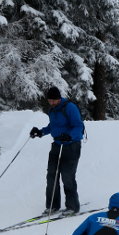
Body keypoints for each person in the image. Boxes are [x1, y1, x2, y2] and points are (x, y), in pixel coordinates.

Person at [29, 86, 84, 215]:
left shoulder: (69, 108)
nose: (52, 103)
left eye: (54, 100)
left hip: (71, 145)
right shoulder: (52, 110)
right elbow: (53, 126)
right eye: (50, 100)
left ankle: (72, 206)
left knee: (67, 176)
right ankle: (53, 205)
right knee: (51, 175)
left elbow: (78, 126)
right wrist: (40, 132)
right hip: (57, 145)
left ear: (59, 98)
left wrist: (70, 135)